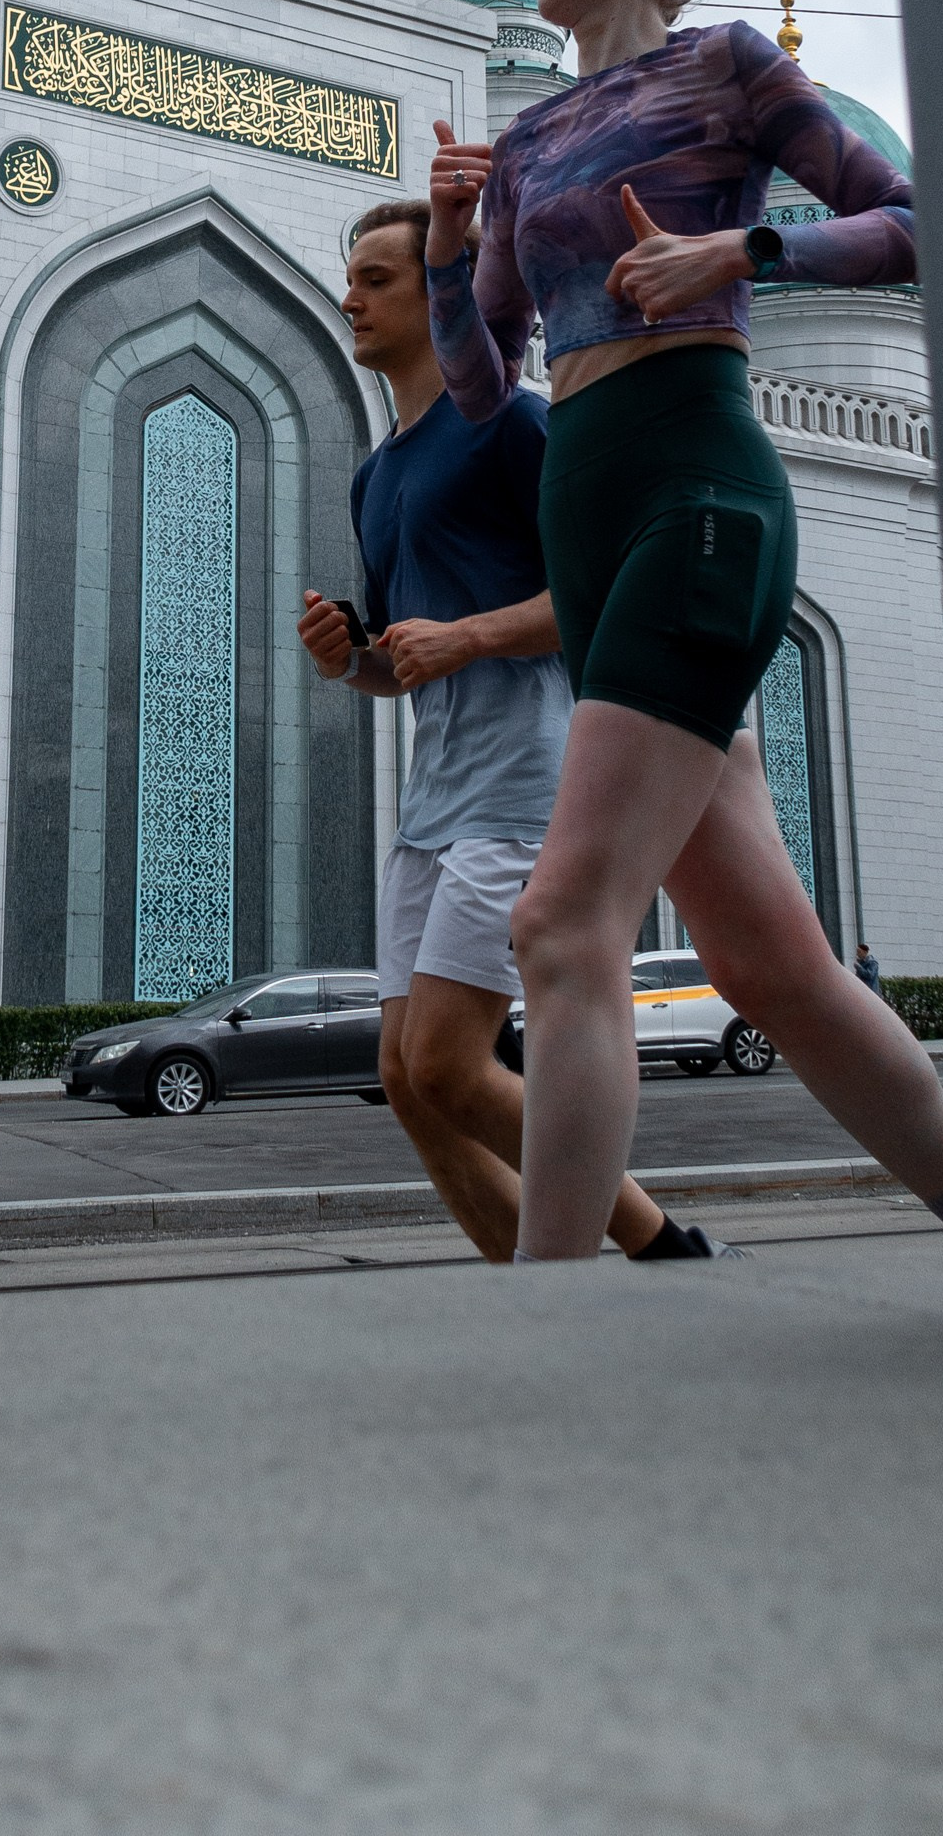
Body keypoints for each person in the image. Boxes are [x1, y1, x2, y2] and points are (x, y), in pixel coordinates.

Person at [423, 0, 943, 1261]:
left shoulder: (732, 67)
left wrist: (738, 254)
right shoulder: (532, 141)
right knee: (770, 966)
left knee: (562, 926)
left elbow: (921, 220)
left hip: (697, 490)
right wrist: (447, 254)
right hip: (590, 514)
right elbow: (489, 390)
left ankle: (557, 1321)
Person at [298, 200, 734, 1265]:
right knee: (408, 1083)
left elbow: (602, 590)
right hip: (435, 799)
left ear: (440, 291)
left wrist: (469, 636)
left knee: (449, 1062)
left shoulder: (513, 424)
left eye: (378, 278)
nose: (350, 297)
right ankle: (537, 1296)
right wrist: (346, 658)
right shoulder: (376, 474)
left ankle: (659, 1246)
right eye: (350, 277)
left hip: (526, 776)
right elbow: (405, 663)